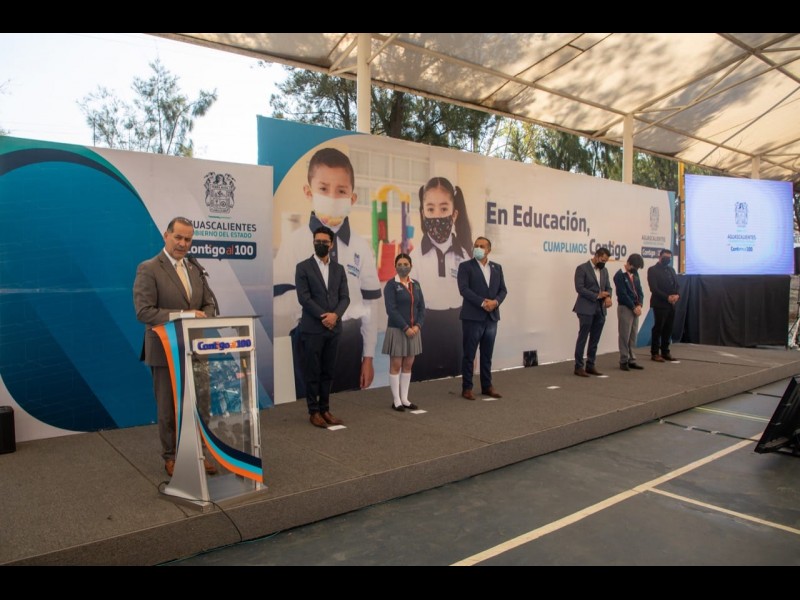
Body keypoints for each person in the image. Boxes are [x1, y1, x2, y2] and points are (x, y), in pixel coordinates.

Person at [273, 147, 381, 395]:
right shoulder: (293, 243)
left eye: (341, 191)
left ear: (352, 198)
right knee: (310, 406)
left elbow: (370, 306)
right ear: (308, 192)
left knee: (349, 407)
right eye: (323, 189)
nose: (332, 197)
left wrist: (368, 356)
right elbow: (279, 302)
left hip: (349, 342)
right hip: (308, 338)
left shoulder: (361, 246)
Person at [133, 216, 218, 477]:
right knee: (168, 408)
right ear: (166, 236)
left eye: (188, 239)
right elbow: (144, 312)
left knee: (200, 404)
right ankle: (172, 457)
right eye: (178, 237)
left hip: (196, 348)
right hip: (164, 350)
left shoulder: (195, 268)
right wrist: (186, 315)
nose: (183, 243)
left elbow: (208, 303)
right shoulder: (149, 268)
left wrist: (204, 315)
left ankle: (199, 452)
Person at [409, 176, 472, 382]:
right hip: (424, 333)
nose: (437, 216)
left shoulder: (465, 257)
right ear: (423, 213)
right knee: (424, 390)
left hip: (456, 332)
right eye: (431, 209)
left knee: (455, 389)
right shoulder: (413, 259)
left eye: (444, 209)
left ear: (454, 214)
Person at [295, 226, 350, 428]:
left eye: (324, 242)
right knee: (313, 371)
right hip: (313, 328)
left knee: (328, 371)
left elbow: (345, 297)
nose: (320, 244)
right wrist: (324, 316)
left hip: (334, 328)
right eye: (317, 241)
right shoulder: (303, 267)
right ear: (313, 242)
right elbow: (304, 298)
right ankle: (313, 412)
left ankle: (325, 409)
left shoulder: (339, 269)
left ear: (331, 244)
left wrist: (335, 316)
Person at [457, 237, 508, 400]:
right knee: (469, 354)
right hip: (472, 317)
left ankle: (487, 386)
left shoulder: (497, 268)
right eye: (476, 246)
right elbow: (464, 289)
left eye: (482, 246)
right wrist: (482, 302)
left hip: (491, 317)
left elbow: (503, 290)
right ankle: (467, 387)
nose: (478, 248)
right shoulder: (465, 267)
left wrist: (495, 302)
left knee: (487, 354)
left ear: (489, 250)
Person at [383, 254, 426, 411]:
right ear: (395, 266)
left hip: (414, 331)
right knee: (396, 365)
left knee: (408, 365)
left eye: (406, 264)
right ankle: (396, 401)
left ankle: (405, 399)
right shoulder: (391, 285)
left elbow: (421, 308)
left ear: (411, 266)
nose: (403, 267)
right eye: (399, 264)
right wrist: (405, 327)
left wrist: (418, 326)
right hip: (398, 330)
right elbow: (391, 310)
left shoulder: (416, 285)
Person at [573, 247, 613, 377]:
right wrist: (597, 295)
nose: (604, 263)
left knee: (595, 339)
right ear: (596, 256)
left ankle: (590, 365)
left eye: (606, 261)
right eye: (602, 260)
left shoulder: (604, 270)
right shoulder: (582, 268)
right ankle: (579, 366)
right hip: (585, 308)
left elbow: (608, 287)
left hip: (600, 309)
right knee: (583, 338)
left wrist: (608, 297)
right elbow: (579, 288)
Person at [613, 253, 645, 371]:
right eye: (634, 267)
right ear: (628, 263)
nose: (636, 270)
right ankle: (623, 360)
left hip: (636, 308)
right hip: (625, 308)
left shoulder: (635, 274)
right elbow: (622, 294)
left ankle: (632, 359)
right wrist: (633, 307)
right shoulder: (619, 275)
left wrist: (640, 305)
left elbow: (640, 291)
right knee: (624, 335)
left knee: (633, 335)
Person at [647, 248, 680, 362]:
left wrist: (677, 295)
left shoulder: (671, 270)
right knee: (658, 328)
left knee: (668, 328)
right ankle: (655, 353)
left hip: (672, 304)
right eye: (665, 257)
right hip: (660, 304)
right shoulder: (653, 270)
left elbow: (677, 285)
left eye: (669, 258)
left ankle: (665, 351)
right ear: (660, 257)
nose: (667, 259)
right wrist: (667, 297)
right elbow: (654, 288)